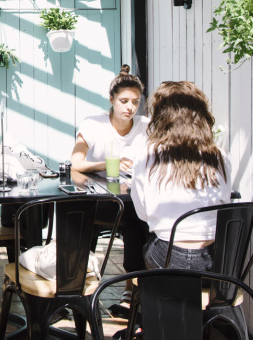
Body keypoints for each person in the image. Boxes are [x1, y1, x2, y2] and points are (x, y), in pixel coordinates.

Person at [130, 81, 232, 271]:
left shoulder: (147, 154)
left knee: (143, 243)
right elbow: (224, 204)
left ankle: (150, 297)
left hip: (167, 258)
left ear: (161, 116)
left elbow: (142, 213)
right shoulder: (219, 155)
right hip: (214, 262)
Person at [71, 64, 149, 310]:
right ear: (111, 99)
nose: (130, 107)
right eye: (124, 100)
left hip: (133, 200)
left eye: (135, 102)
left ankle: (132, 290)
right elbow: (76, 163)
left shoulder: (146, 126)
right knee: (77, 217)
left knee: (138, 220)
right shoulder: (94, 124)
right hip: (101, 202)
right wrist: (105, 164)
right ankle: (75, 286)